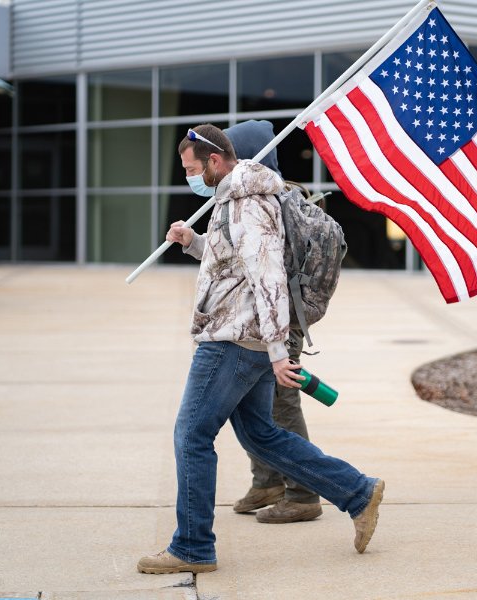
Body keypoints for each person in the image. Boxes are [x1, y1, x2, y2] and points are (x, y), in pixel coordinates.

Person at [137, 124, 384, 575]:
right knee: (260, 435)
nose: (190, 178)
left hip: (233, 340)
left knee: (192, 436)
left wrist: (276, 349)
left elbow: (268, 275)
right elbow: (234, 257)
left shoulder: (247, 202)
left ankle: (192, 546)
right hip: (241, 335)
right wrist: (193, 243)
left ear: (215, 160)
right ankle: (357, 492)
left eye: (193, 169)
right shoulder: (233, 198)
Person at [224, 119, 321, 524]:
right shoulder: (256, 197)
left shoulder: (270, 201)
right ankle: (267, 481)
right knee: (252, 404)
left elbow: (268, 274)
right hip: (259, 321)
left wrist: (279, 343)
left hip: (278, 323)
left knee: (281, 404)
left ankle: (303, 494)